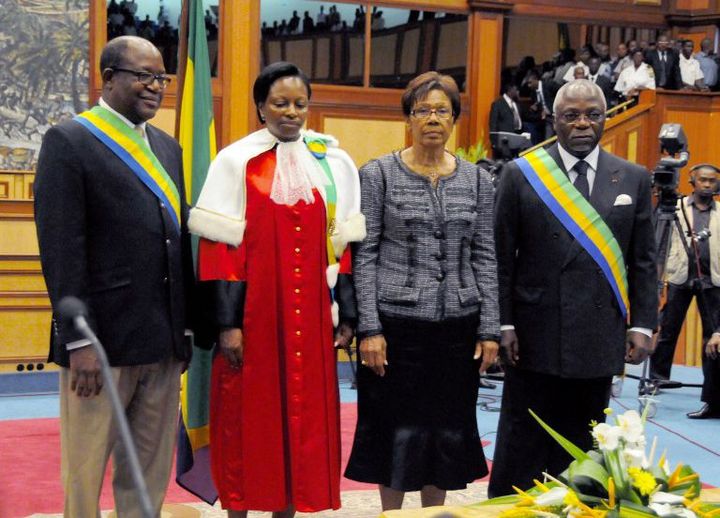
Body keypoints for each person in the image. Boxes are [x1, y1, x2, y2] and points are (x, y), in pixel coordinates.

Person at [188, 62, 365, 517]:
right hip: (255, 320)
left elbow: (343, 247)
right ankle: (241, 510)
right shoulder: (235, 161)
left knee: (301, 421)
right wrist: (228, 325)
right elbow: (220, 253)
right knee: (249, 423)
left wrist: (346, 314)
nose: (291, 112)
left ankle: (289, 509)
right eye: (280, 103)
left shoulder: (334, 163)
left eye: (300, 104)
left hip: (311, 317)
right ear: (260, 107)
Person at [34, 36, 192, 517]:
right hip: (99, 347)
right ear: (109, 78)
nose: (155, 87)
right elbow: (61, 250)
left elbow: (177, 243)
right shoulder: (69, 141)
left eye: (161, 77)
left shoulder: (167, 148)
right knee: (84, 474)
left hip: (160, 342)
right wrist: (78, 341)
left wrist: (183, 331)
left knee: (147, 473)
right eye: (143, 75)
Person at [489, 79, 657, 497]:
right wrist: (503, 322)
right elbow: (500, 257)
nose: (582, 124)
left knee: (586, 447)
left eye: (592, 115)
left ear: (604, 118)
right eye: (571, 116)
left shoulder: (633, 178)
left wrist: (643, 325)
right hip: (532, 335)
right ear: (553, 119)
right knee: (523, 444)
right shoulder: (520, 174)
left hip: (599, 337)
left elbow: (644, 261)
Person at [345, 71, 500, 511]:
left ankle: (433, 512)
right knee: (393, 429)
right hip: (396, 329)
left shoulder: (476, 180)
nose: (432, 118)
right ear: (408, 119)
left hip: (458, 327)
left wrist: (488, 328)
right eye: (423, 110)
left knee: (446, 431)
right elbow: (366, 254)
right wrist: (370, 329)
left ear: (454, 120)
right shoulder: (377, 174)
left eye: (441, 111)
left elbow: (485, 255)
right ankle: (391, 514)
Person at [649, 164, 720, 419]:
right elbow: (660, 243)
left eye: (712, 181)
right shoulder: (677, 209)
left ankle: (711, 390)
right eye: (703, 180)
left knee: (712, 338)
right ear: (692, 181)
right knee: (668, 328)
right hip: (680, 275)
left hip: (712, 280)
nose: (708, 185)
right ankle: (658, 377)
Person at [490, 83, 523, 159]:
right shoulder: (498, 104)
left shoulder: (516, 104)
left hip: (517, 139)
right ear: (510, 90)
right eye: (516, 90)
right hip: (504, 142)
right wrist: (494, 142)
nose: (517, 92)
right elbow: (493, 124)